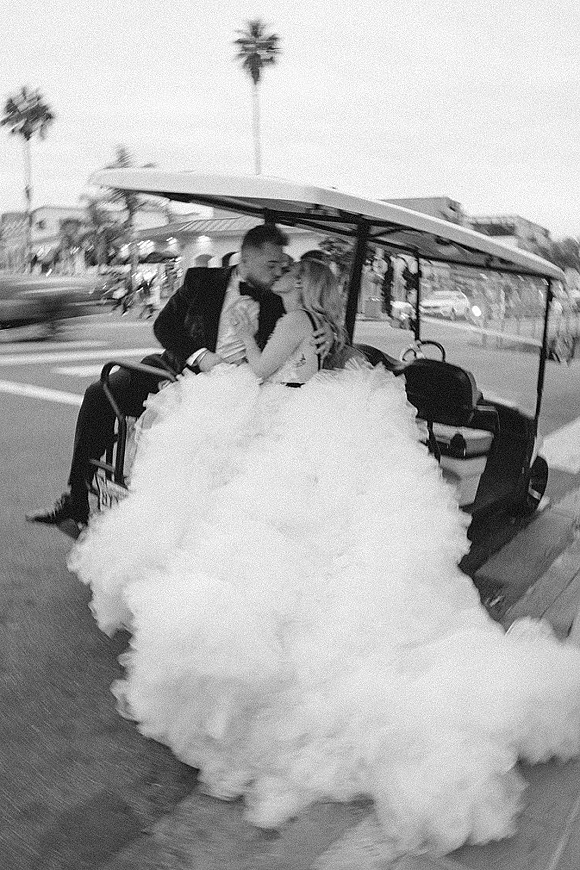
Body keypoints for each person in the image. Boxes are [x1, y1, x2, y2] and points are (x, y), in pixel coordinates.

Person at [68, 255, 580, 859]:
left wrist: (220, 360)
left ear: (300, 285)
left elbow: (260, 374)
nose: (280, 280)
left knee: (265, 532)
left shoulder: (290, 320)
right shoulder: (329, 328)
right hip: (327, 424)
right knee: (328, 545)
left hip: (293, 422)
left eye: (289, 276)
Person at [27, 224, 330, 531]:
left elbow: (307, 325)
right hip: (176, 367)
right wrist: (200, 356)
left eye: (282, 264)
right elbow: (164, 326)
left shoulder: (281, 296)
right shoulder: (201, 281)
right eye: (271, 265)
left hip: (236, 385)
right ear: (245, 259)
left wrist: (323, 339)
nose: (278, 272)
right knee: (99, 394)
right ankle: (76, 499)